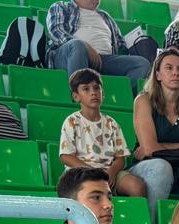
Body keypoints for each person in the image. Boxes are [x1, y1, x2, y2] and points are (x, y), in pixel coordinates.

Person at [120, 48, 179, 220]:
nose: (176, 73)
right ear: (158, 75)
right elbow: (150, 150)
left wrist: (159, 147)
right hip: (147, 167)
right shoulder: (143, 100)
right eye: (169, 68)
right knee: (161, 167)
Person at [58, 68, 146, 201]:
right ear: (76, 96)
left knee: (136, 186)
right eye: (86, 89)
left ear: (102, 94)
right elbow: (66, 156)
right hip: (81, 172)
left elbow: (120, 158)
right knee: (91, 193)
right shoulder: (72, 121)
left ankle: (136, 215)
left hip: (108, 173)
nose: (93, 93)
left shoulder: (111, 123)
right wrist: (93, 172)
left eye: (96, 88)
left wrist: (112, 171)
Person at [46, 0, 150, 79]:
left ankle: (120, 91)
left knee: (142, 64)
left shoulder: (106, 17)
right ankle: (80, 88)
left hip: (104, 61)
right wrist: (86, 47)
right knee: (77, 46)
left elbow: (122, 46)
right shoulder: (61, 7)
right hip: (71, 56)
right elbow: (57, 32)